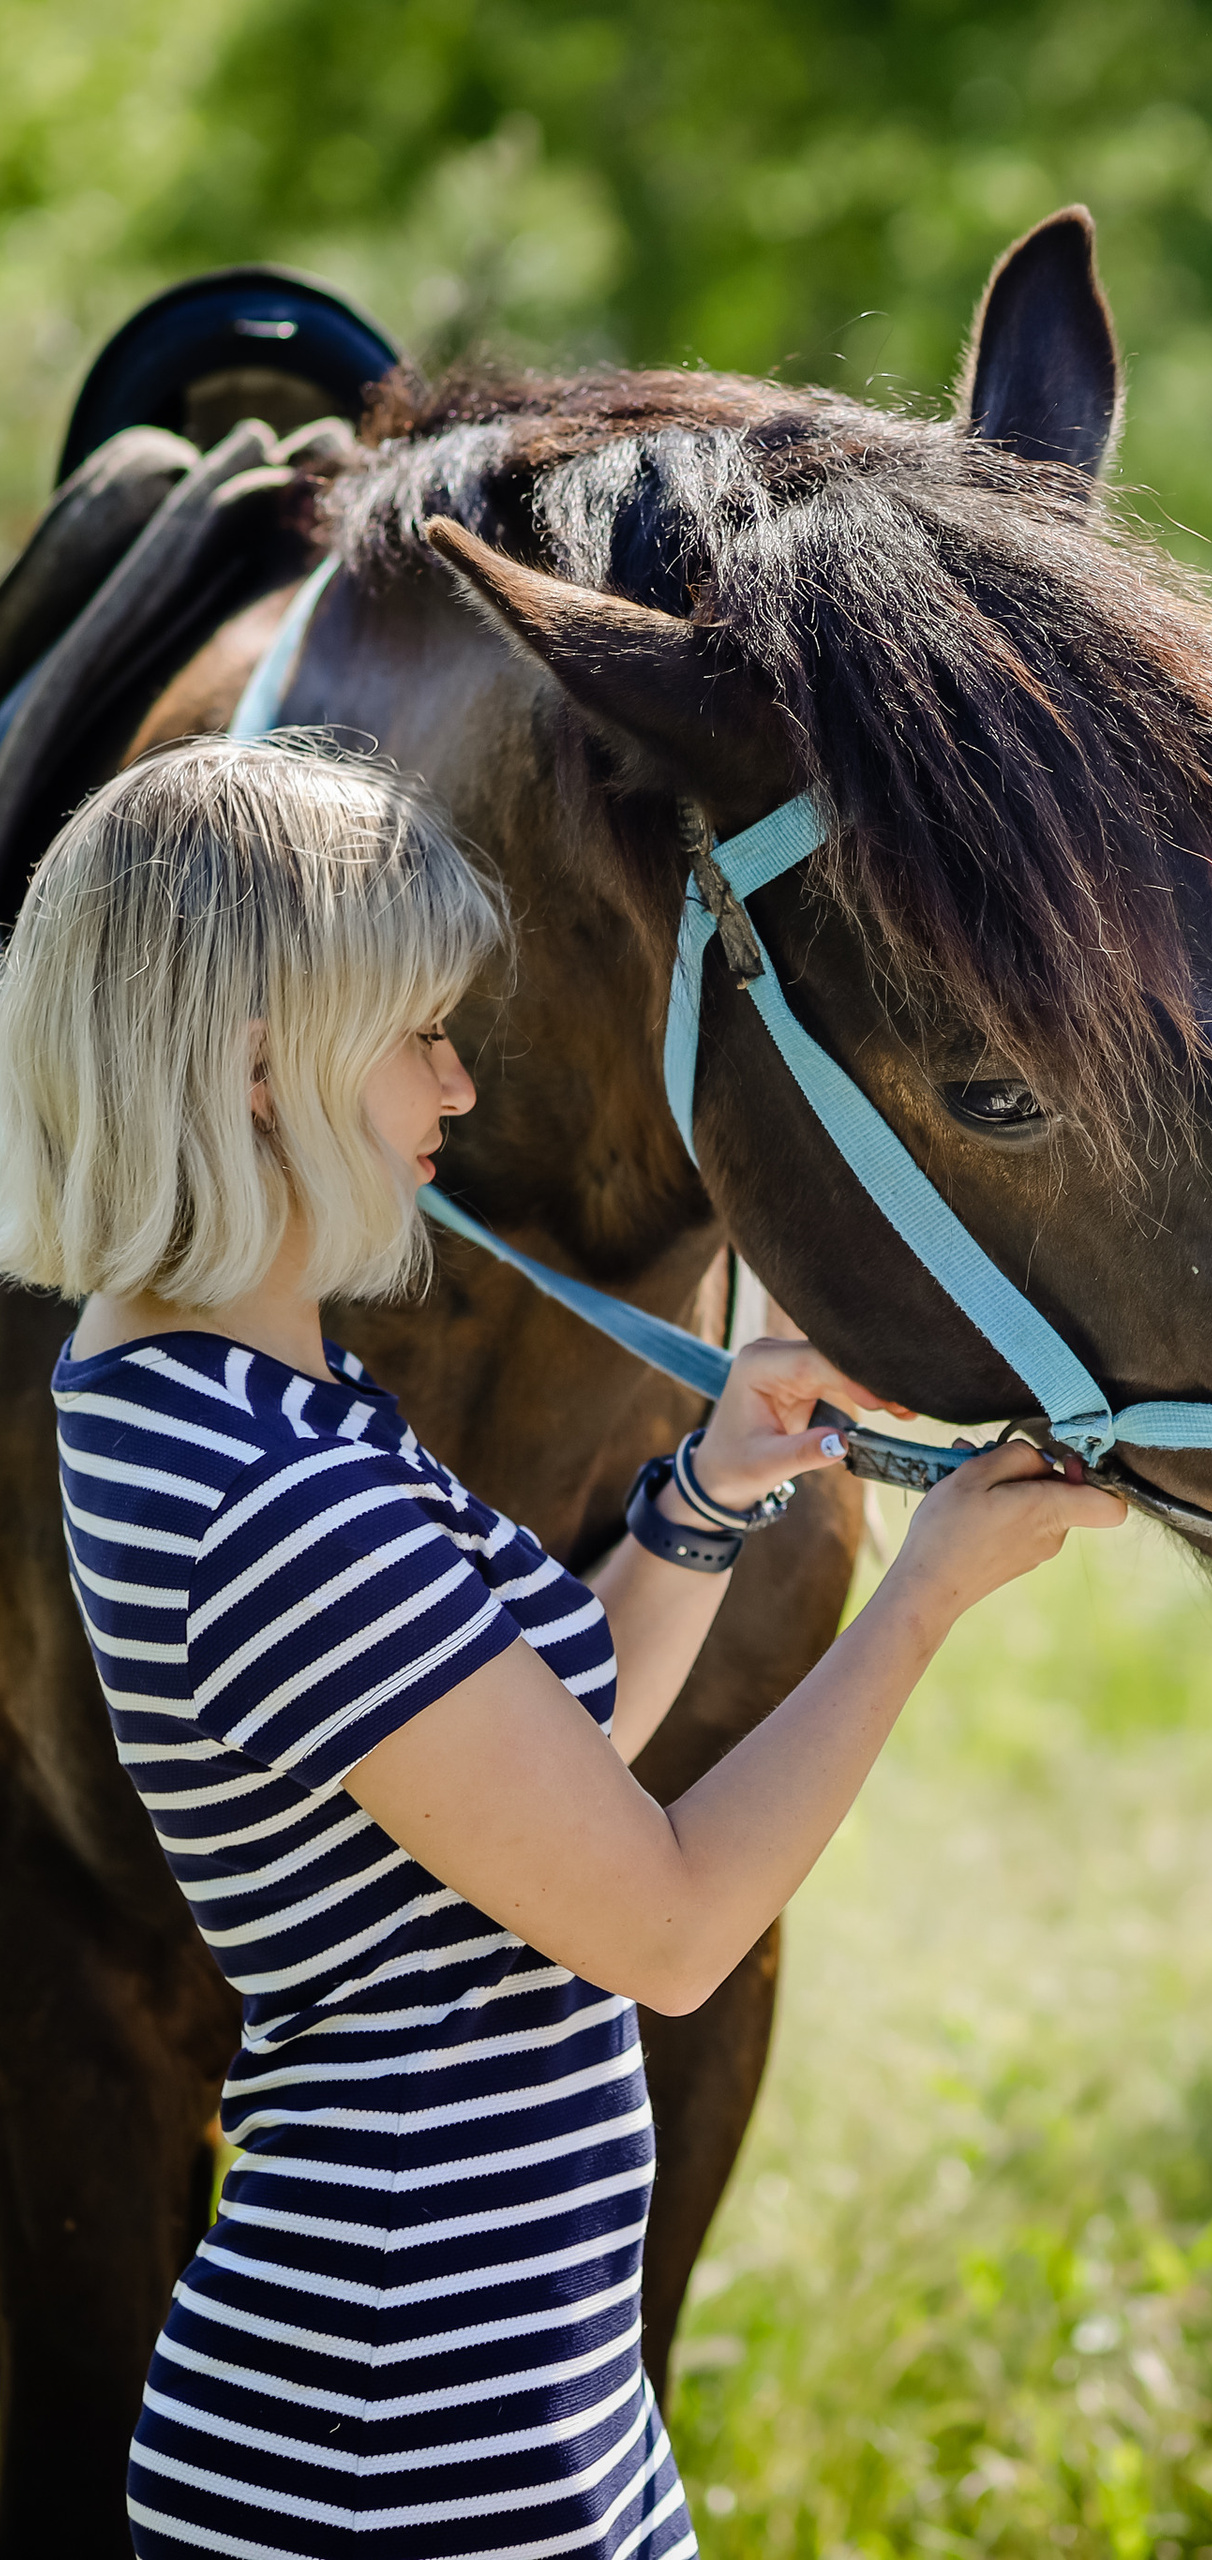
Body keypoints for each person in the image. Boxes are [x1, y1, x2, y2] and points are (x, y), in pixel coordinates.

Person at [0, 735, 1125, 2560]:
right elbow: (665, 1928)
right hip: (400, 2438)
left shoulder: (205, 1385)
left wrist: (707, 1489)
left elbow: (536, 1770)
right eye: (414, 1034)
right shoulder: (274, 1502)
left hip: (483, 2390)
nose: (459, 1085)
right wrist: (923, 1599)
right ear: (260, 1066)